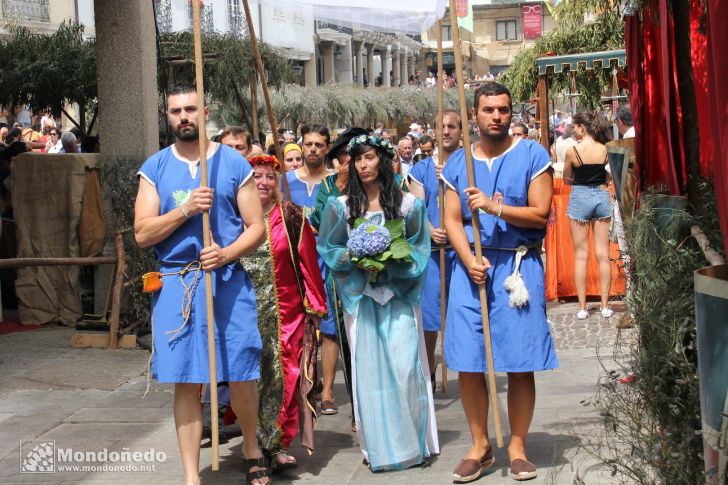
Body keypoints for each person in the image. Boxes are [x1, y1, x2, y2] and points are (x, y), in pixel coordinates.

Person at [134, 84, 270, 485]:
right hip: (177, 285)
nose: (183, 117)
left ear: (204, 111)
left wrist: (227, 254)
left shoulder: (232, 163)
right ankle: (191, 476)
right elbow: (143, 233)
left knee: (242, 371)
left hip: (227, 280)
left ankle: (250, 446)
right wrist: (185, 209)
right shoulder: (155, 167)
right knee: (186, 379)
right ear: (167, 117)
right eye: (175, 111)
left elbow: (256, 227)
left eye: (190, 109)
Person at [442, 82, 558, 482]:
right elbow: (452, 218)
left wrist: (495, 207)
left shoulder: (532, 154)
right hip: (470, 269)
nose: (496, 116)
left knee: (519, 361)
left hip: (516, 267)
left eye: (503, 110)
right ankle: (480, 446)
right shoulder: (459, 163)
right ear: (474, 114)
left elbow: (541, 214)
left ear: (512, 113)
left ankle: (518, 446)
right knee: (469, 361)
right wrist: (467, 255)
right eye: (488, 109)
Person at [317, 134, 438, 471]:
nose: (363, 165)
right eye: (357, 159)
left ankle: (414, 441)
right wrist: (354, 256)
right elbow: (330, 248)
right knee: (369, 372)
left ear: (383, 161)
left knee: (405, 366)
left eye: (369, 157)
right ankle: (381, 448)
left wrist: (392, 261)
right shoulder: (340, 207)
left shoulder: (408, 205)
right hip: (362, 297)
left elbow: (419, 248)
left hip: (398, 294)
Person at [243, 153, 327, 469]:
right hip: (243, 310)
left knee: (281, 377)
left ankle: (275, 443)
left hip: (285, 313)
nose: (263, 182)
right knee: (249, 377)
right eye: (256, 176)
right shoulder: (233, 214)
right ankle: (251, 442)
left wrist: (314, 306)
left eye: (269, 176)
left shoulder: (290, 216)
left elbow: (307, 261)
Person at [285, 124, 341, 416]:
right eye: (308, 144)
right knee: (296, 328)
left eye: (319, 144)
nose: (313, 149)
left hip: (325, 262)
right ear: (301, 146)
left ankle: (329, 391)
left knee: (329, 328)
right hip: (294, 264)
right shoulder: (286, 181)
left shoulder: (334, 184)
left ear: (327, 146)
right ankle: (303, 383)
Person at [408, 110, 461, 388]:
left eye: (452, 126)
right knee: (428, 315)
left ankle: (467, 369)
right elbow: (417, 208)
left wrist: (455, 177)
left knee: (461, 313)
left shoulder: (469, 165)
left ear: (461, 129)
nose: (447, 131)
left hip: (461, 251)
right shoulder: (421, 169)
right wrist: (430, 229)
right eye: (442, 127)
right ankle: (427, 370)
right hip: (431, 253)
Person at [563, 112, 614, 320]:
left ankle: (583, 308)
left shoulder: (572, 151)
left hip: (580, 196)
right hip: (601, 195)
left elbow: (567, 178)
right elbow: (610, 176)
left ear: (582, 127)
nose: (572, 131)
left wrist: (575, 180)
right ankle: (604, 306)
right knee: (603, 254)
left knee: (581, 255)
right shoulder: (605, 149)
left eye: (574, 127)